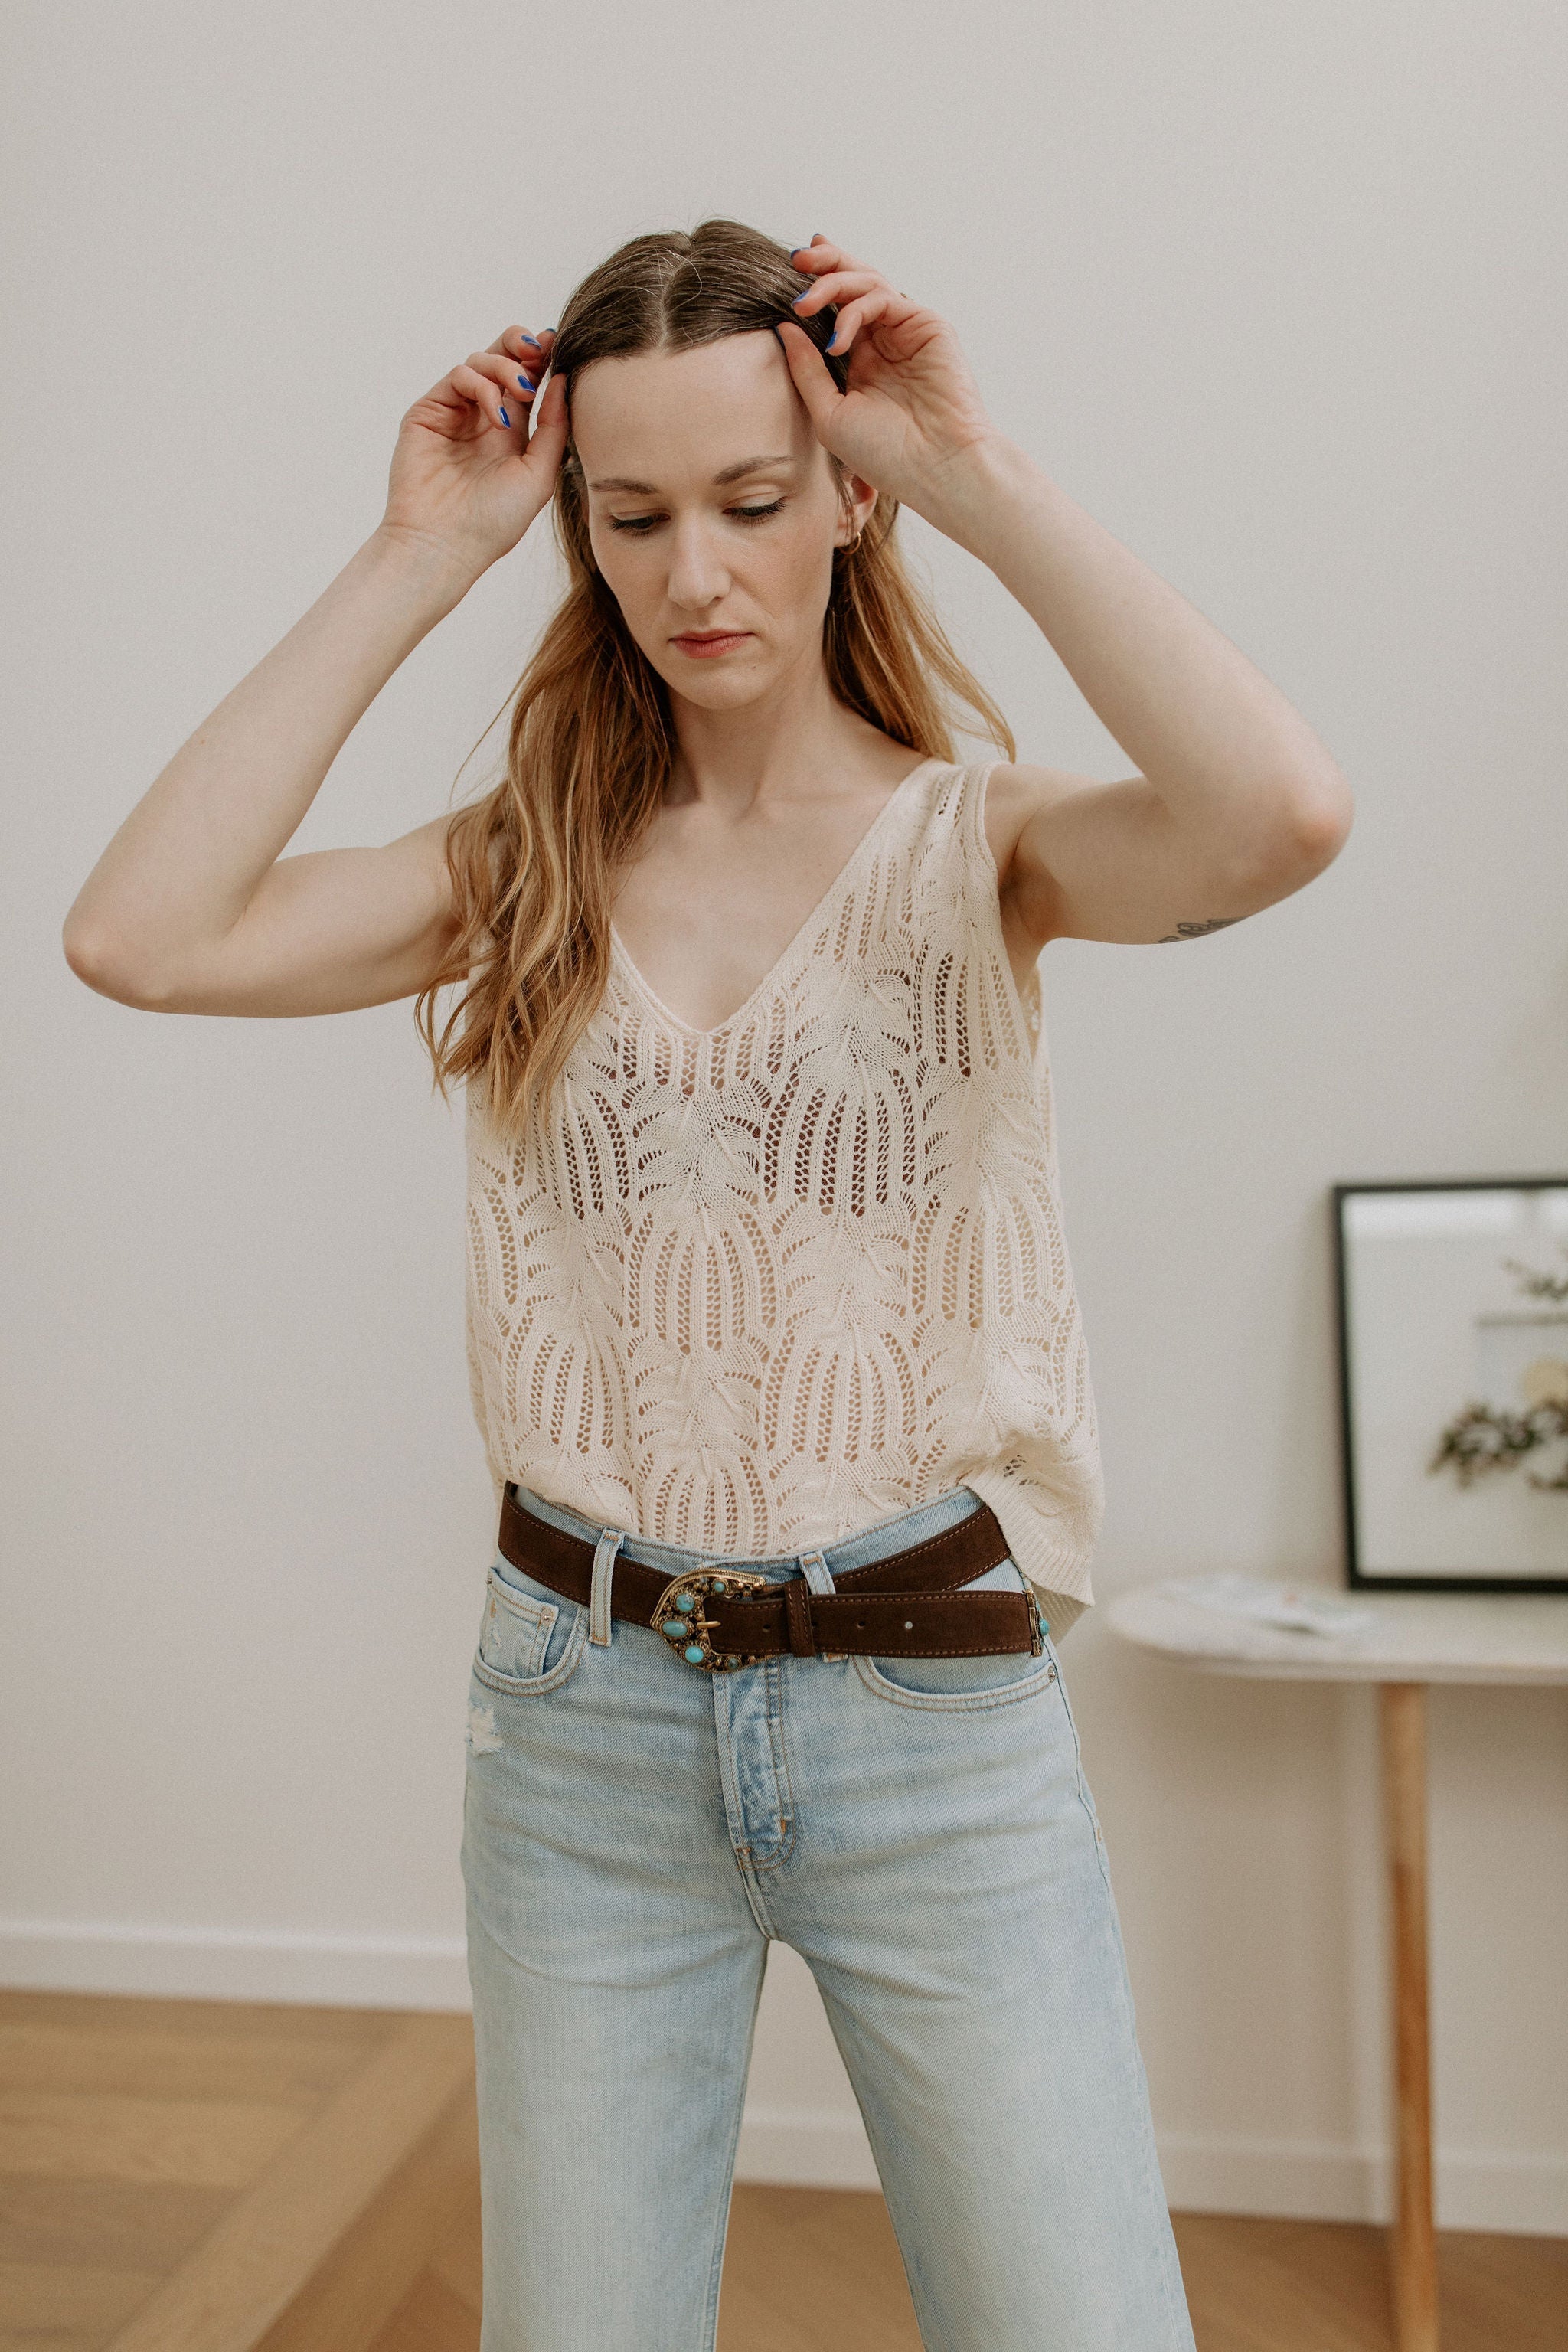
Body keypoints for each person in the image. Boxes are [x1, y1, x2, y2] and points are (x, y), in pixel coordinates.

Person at [63, 217, 1352, 2350]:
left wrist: (971, 470)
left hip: (933, 1707)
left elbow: (1279, 815)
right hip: (579, 1714)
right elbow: (142, 936)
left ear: (847, 494)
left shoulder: (979, 847)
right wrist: (418, 551)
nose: (696, 576)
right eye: (633, 515)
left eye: (754, 501)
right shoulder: (528, 864)